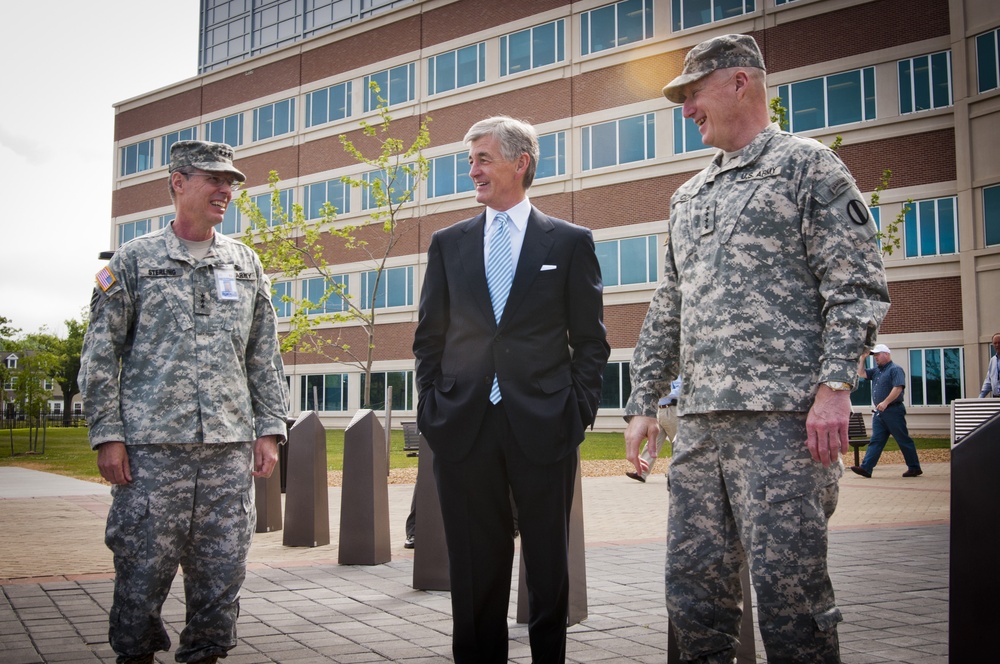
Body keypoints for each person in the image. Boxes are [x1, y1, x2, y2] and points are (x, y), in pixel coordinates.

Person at [622, 34, 890, 663]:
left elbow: (855, 285)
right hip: (700, 429)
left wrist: (834, 388)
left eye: (694, 93)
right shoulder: (687, 197)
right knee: (692, 603)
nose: (686, 109)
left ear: (740, 82)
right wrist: (641, 402)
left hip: (784, 427)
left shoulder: (809, 167)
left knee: (792, 607)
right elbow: (670, 305)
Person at [79, 140, 289, 664]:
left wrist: (269, 429)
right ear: (178, 182)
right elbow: (100, 356)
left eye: (231, 183)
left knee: (222, 572)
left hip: (227, 448)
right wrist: (108, 434)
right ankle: (135, 655)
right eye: (214, 179)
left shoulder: (245, 263)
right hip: (152, 452)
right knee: (141, 570)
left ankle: (206, 654)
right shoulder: (133, 261)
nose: (225, 191)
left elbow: (264, 355)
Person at [413, 115, 610, 663]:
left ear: (519, 163)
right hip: (463, 424)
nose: (471, 169)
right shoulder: (447, 243)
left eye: (482, 158)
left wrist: (577, 411)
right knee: (475, 565)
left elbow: (591, 341)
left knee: (548, 565)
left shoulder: (570, 242)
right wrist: (432, 405)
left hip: (545, 423)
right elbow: (429, 336)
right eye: (470, 159)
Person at [851, 344, 922, 478]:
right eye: (875, 355)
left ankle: (914, 467)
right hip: (880, 413)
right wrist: (862, 358)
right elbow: (861, 373)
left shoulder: (895, 369)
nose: (876, 357)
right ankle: (866, 468)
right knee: (876, 440)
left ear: (887, 354)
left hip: (893, 411)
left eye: (878, 354)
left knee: (903, 440)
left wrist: (885, 402)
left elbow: (898, 388)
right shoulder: (877, 371)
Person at [626, 377, 681, 483]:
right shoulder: (660, 375)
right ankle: (641, 472)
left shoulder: (678, 374)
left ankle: (677, 473)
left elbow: (680, 391)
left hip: (672, 411)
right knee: (652, 442)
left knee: (677, 443)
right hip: (659, 411)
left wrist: (659, 391)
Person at [978, 333, 1000, 398]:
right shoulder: (993, 360)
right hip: (996, 398)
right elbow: (988, 381)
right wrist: (980, 398)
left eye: (999, 342)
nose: (997, 345)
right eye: (995, 343)